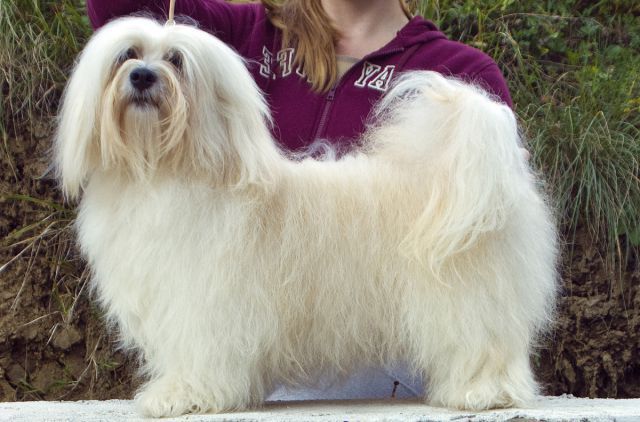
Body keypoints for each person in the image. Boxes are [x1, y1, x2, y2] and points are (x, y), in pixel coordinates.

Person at [86, 0, 514, 400]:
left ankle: (481, 366)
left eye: (177, 63)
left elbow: (489, 205)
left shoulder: (458, 72)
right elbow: (122, 10)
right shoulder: (248, 32)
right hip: (261, 359)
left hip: (394, 356)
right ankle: (203, 372)